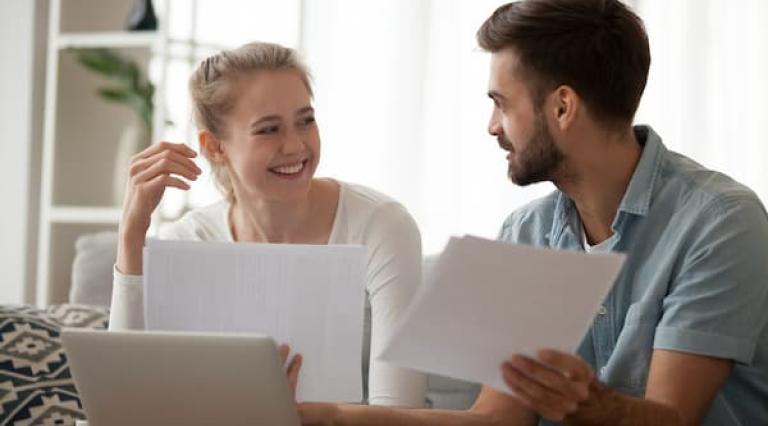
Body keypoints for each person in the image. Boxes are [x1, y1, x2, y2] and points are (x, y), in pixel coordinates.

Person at [298, 0, 768, 424]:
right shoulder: (525, 232)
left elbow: (674, 420)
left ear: (563, 106)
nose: (492, 127)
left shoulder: (721, 222)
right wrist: (333, 417)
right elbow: (498, 420)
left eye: (501, 103)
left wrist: (594, 407)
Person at [108, 41, 427, 408]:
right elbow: (123, 404)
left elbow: (399, 410)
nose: (295, 146)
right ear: (214, 147)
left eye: (305, 121)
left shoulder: (381, 226)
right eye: (268, 129)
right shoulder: (191, 240)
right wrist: (131, 235)